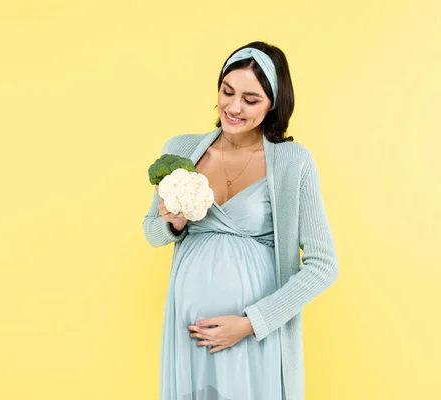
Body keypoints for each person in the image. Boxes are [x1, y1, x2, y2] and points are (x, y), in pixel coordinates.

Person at [142, 41, 339, 400]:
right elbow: (152, 234)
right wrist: (172, 222)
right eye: (227, 91)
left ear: (274, 104)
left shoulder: (293, 161)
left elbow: (323, 265)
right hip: (189, 333)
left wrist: (251, 323)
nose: (233, 107)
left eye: (251, 100)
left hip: (254, 335)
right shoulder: (182, 148)